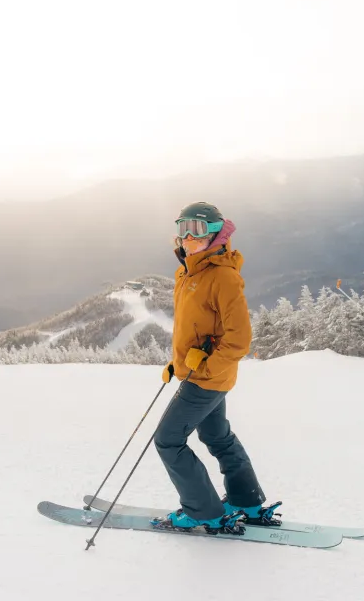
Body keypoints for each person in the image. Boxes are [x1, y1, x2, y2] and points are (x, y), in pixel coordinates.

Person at [154, 201, 268, 530]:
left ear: (215, 234)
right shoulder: (188, 272)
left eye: (198, 230)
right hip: (206, 375)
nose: (188, 237)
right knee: (217, 436)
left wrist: (202, 369)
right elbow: (197, 329)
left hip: (206, 379)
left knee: (168, 439)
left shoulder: (223, 277)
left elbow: (239, 340)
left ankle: (204, 511)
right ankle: (245, 501)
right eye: (183, 228)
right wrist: (177, 363)